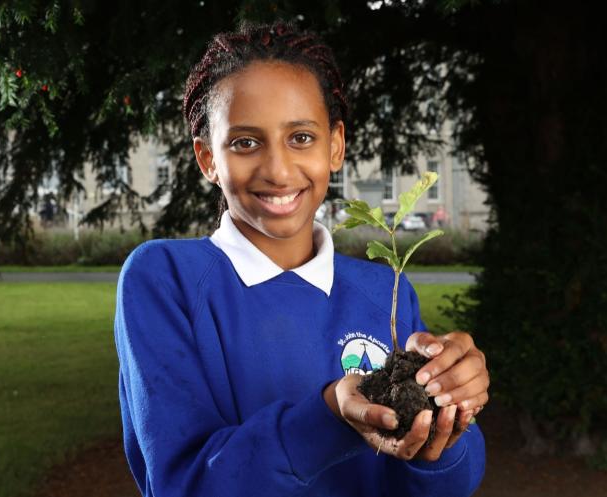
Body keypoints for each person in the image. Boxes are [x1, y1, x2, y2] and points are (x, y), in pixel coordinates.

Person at [114, 21, 488, 497]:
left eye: (301, 138)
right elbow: (183, 485)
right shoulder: (165, 279)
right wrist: (330, 413)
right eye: (245, 142)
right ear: (207, 158)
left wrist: (451, 418)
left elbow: (448, 483)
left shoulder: (381, 291)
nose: (277, 169)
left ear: (335, 145)